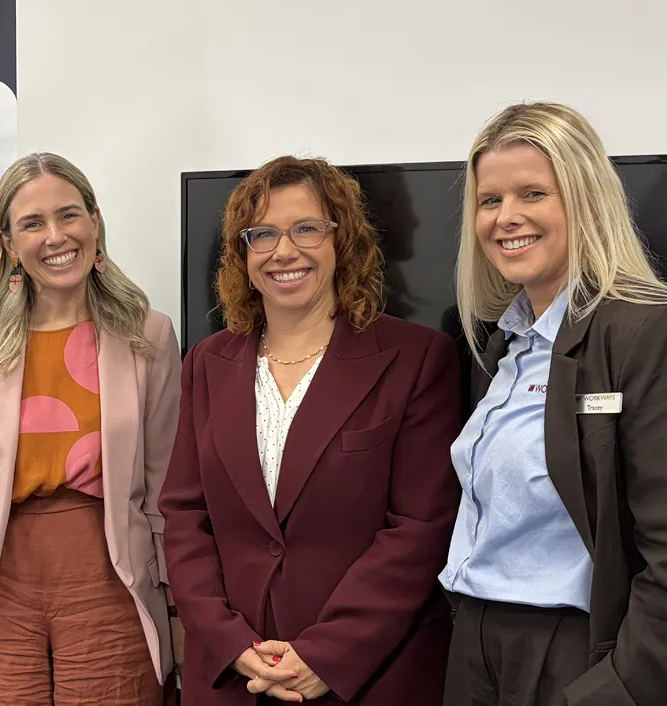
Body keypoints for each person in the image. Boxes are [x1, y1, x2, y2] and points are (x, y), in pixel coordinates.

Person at [440, 101, 667, 706]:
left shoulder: (658, 331)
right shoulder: (501, 345)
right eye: (489, 199)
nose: (506, 217)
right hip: (479, 643)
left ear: (586, 200)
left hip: (583, 654)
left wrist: (614, 693)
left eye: (533, 193)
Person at [161, 155, 462, 705]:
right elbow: (185, 516)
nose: (284, 251)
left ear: (341, 240)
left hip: (369, 676)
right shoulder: (206, 363)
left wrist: (327, 653)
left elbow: (421, 527)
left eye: (306, 228)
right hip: (235, 676)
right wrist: (229, 640)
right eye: (263, 234)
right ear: (242, 253)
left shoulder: (417, 358)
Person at [0, 152, 180, 704]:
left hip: (114, 586)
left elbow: (167, 492)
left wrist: (177, 611)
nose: (56, 236)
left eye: (69, 215)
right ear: (8, 242)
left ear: (95, 221)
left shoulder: (147, 335)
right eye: (33, 223)